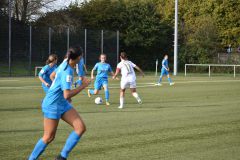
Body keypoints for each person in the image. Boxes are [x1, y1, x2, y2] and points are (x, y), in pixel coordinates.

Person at [28, 46, 91, 160]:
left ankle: (61, 157)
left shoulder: (65, 62)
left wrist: (57, 88)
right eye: (81, 56)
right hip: (52, 104)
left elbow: (52, 76)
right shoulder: (67, 71)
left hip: (62, 103)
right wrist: (83, 86)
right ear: (77, 57)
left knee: (80, 128)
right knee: (49, 137)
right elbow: (67, 94)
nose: (82, 58)